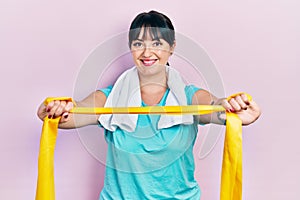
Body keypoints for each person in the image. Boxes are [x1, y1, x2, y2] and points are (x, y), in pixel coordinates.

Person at [37, 10, 261, 200]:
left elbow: (217, 108)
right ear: (131, 48)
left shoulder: (190, 97)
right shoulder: (110, 98)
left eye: (157, 43)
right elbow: (74, 114)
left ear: (171, 47)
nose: (147, 52)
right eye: (138, 44)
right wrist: (54, 111)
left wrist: (233, 107)